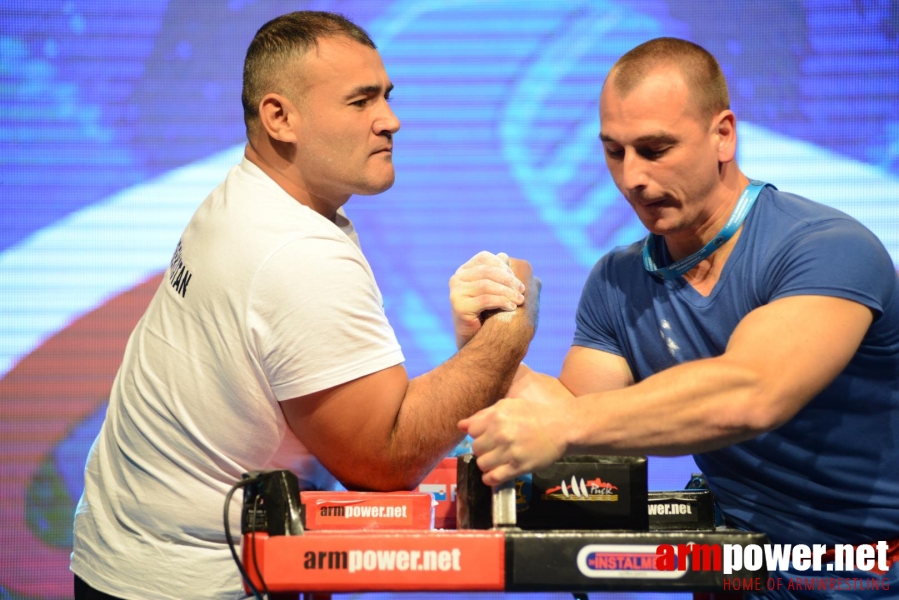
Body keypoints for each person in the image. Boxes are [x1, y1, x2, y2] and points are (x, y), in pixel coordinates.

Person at [70, 11, 538, 600]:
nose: (390, 121)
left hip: (122, 561)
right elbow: (384, 463)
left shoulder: (246, 197)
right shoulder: (295, 252)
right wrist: (511, 327)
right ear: (279, 117)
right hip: (189, 585)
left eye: (386, 97)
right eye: (360, 102)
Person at [459, 37, 899, 594]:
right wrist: (492, 340)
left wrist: (563, 424)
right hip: (734, 575)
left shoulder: (827, 246)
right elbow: (580, 439)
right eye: (615, 152)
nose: (631, 178)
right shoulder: (617, 280)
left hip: (871, 578)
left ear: (724, 134)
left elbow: (753, 392)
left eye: (655, 148)